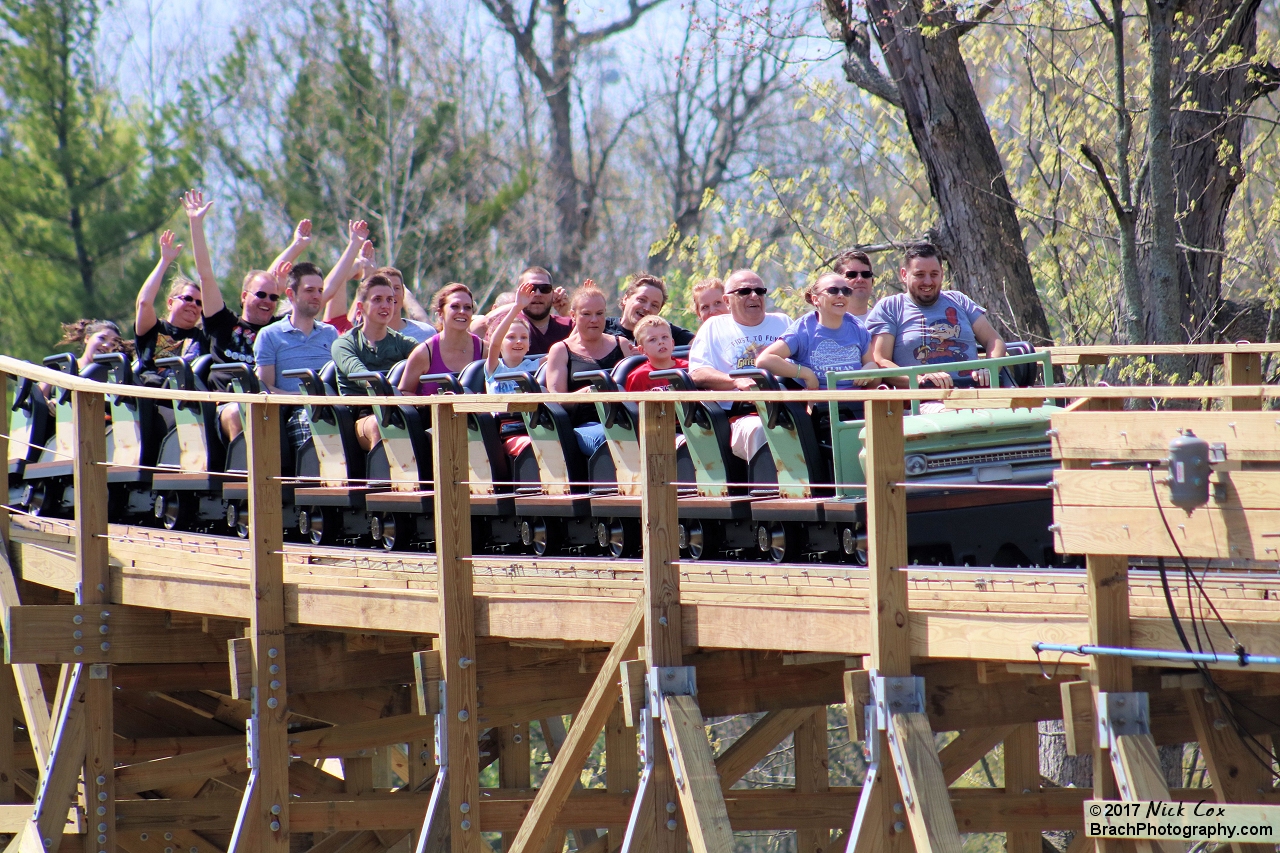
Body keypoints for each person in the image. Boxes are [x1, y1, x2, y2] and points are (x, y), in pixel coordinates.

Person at [866, 242, 1006, 389]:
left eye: (934, 274)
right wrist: (920, 380)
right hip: (927, 397)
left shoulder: (959, 300)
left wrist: (990, 368)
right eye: (919, 275)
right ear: (904, 275)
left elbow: (994, 340)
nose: (927, 281)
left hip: (974, 390)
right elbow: (881, 360)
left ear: (942, 274)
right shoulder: (891, 307)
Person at [688, 269, 792, 462]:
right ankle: (770, 488)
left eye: (760, 291)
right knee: (762, 429)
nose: (754, 296)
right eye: (744, 291)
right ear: (727, 301)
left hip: (787, 406)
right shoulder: (713, 327)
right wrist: (735, 381)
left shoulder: (783, 322)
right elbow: (697, 373)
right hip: (740, 414)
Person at [253, 262, 339, 448]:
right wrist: (300, 398)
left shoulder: (330, 333)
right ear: (291, 294)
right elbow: (265, 387)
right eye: (309, 290)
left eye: (320, 290)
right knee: (311, 419)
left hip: (331, 407)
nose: (316, 296)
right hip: (293, 411)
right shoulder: (270, 335)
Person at [545, 283, 634, 456]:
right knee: (609, 438)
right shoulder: (561, 350)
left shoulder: (621, 344)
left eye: (599, 314)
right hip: (585, 425)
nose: (594, 320)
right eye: (586, 314)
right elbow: (555, 399)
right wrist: (583, 394)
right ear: (573, 315)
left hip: (624, 418)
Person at [332, 274, 420, 450]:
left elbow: (428, 359)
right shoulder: (344, 344)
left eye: (390, 300)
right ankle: (381, 477)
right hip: (360, 416)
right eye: (377, 300)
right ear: (361, 306)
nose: (385, 306)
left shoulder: (402, 342)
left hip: (400, 408)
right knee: (379, 425)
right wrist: (400, 394)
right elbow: (364, 378)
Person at [755, 273, 876, 390]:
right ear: (815, 299)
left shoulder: (857, 327)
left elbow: (874, 375)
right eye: (833, 290)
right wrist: (805, 373)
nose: (841, 295)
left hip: (858, 406)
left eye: (846, 291)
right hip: (820, 408)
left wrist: (870, 370)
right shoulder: (803, 330)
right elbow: (764, 360)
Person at [134, 229, 208, 378]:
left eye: (199, 303)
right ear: (170, 303)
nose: (194, 304)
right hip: (152, 392)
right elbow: (144, 302)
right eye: (187, 298)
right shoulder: (153, 329)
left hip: (187, 397)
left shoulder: (203, 337)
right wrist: (164, 261)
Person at [399, 283, 485, 395]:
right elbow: (403, 392)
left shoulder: (486, 350)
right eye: (455, 306)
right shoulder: (423, 353)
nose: (462, 312)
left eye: (467, 307)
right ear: (440, 313)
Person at [603, 273, 695, 346]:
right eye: (642, 300)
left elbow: (699, 344)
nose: (647, 308)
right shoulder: (602, 327)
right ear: (625, 299)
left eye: (654, 305)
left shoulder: (664, 331)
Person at [484, 282, 542, 394]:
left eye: (524, 337)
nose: (519, 341)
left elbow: (563, 349)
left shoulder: (532, 366)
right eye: (511, 337)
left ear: (529, 344)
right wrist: (517, 307)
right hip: (500, 411)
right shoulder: (494, 367)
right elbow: (494, 343)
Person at [516, 267, 573, 355]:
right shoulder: (507, 325)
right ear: (518, 293)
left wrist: (567, 313)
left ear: (553, 293)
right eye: (530, 289)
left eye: (544, 288)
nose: (538, 294)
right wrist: (517, 305)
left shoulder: (568, 324)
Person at [625, 315, 689, 392]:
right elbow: (631, 403)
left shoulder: (689, 368)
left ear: (672, 343)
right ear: (642, 350)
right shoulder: (638, 377)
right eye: (653, 339)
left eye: (664, 337)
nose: (661, 342)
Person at [831, 250, 877, 323]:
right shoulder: (825, 323)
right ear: (836, 282)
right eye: (851, 275)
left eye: (866, 274)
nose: (860, 279)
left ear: (872, 281)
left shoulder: (883, 322)